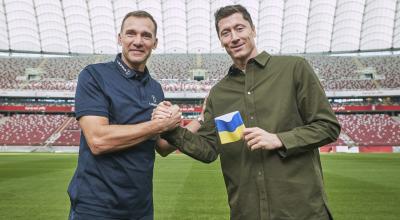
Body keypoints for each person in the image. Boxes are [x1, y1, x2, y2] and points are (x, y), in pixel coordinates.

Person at [156, 4, 341, 220]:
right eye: (226, 32)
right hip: (247, 211)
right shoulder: (219, 93)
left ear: (253, 29)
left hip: (301, 210)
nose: (234, 37)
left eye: (240, 28)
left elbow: (327, 127)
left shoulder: (294, 69)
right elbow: (207, 150)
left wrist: (279, 139)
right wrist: (168, 128)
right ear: (220, 40)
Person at [67, 11, 181, 220]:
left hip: (140, 209)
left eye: (146, 36)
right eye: (131, 34)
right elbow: (98, 140)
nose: (138, 41)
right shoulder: (94, 75)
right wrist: (158, 125)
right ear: (120, 38)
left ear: (155, 43)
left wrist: (202, 120)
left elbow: (162, 147)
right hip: (96, 209)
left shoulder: (155, 88)